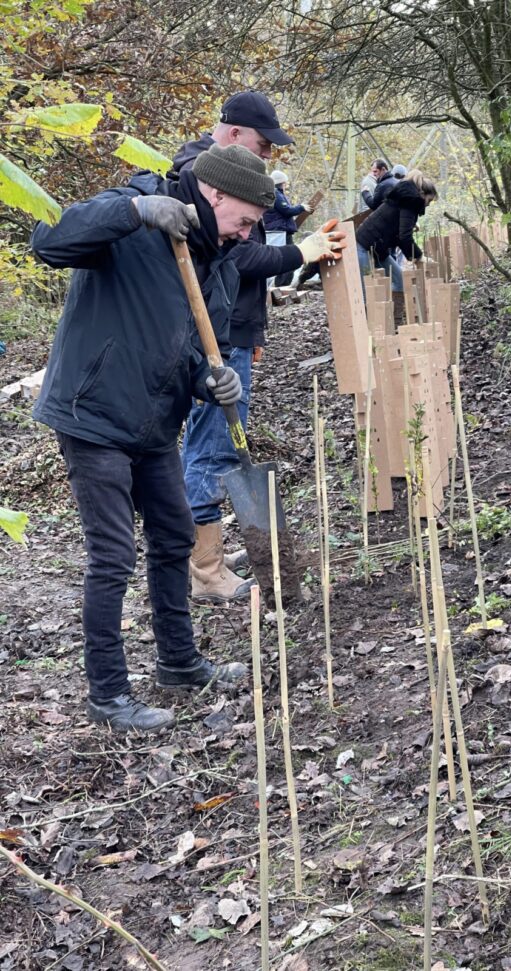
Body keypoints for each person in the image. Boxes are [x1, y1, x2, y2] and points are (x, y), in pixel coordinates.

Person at [31, 144, 276, 733]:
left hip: (153, 424)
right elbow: (49, 242)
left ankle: (179, 662)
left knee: (173, 537)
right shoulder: (129, 210)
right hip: (93, 415)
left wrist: (208, 380)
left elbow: (195, 350)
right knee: (112, 555)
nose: (247, 234)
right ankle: (109, 694)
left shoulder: (215, 263)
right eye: (244, 220)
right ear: (215, 195)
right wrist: (138, 210)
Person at [172, 91, 344, 603]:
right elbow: (239, 258)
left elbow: (239, 264)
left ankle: (206, 548)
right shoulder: (199, 183)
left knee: (216, 442)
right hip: (213, 337)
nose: (267, 156)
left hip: (235, 329)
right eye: (263, 144)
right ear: (232, 135)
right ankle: (203, 568)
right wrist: (298, 252)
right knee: (213, 445)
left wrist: (257, 334)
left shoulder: (229, 186)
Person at [355, 169, 437, 324]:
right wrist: (418, 257)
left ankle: (395, 322)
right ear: (423, 194)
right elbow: (404, 237)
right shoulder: (410, 202)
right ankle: (367, 334)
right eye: (429, 200)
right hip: (364, 245)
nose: (429, 204)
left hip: (379, 248)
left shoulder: (406, 200)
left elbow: (400, 233)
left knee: (400, 280)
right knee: (367, 293)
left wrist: (415, 255)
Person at [263, 170, 313, 286]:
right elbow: (287, 211)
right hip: (279, 232)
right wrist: (301, 207)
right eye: (285, 183)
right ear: (281, 183)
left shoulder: (275, 194)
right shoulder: (276, 195)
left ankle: (283, 285)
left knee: (286, 258)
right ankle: (282, 285)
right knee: (286, 258)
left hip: (280, 231)